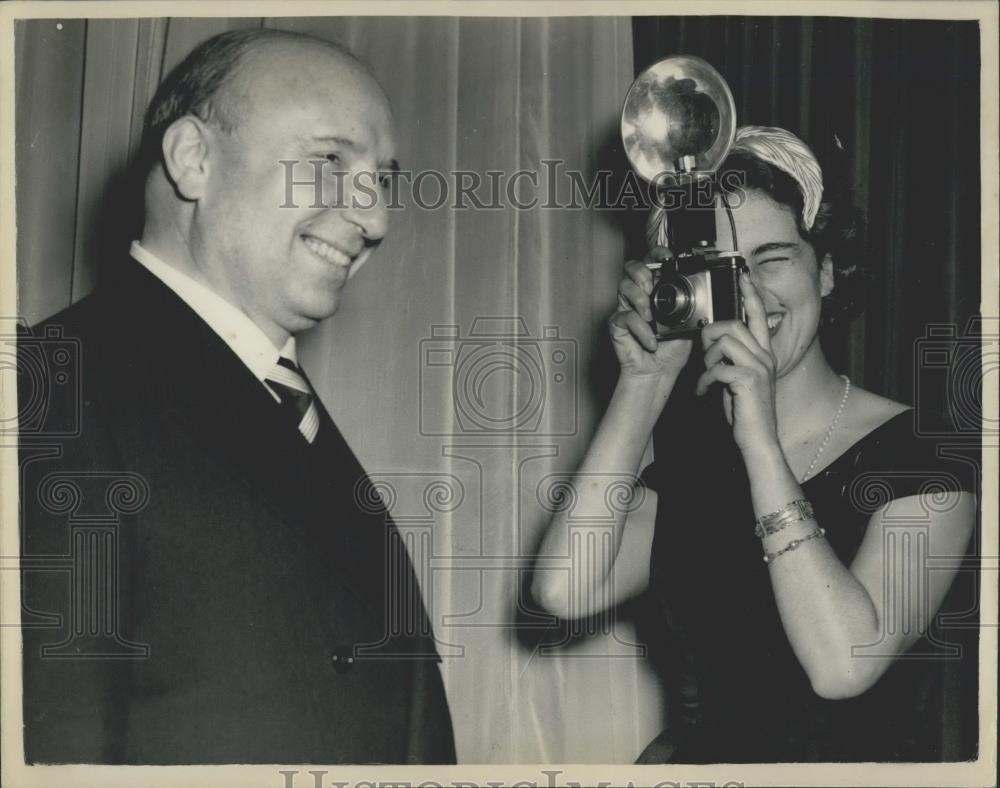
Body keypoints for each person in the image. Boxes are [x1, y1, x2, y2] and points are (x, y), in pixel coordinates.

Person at [19, 29, 455, 764]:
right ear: (194, 160)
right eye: (328, 162)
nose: (375, 219)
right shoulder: (51, 386)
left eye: (382, 179)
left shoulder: (291, 410)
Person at [532, 126, 977, 762]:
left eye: (772, 260)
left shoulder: (927, 453)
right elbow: (563, 590)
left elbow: (843, 667)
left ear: (825, 271)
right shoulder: (694, 464)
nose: (748, 295)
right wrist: (644, 383)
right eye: (720, 270)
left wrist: (760, 442)